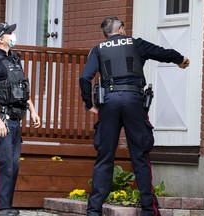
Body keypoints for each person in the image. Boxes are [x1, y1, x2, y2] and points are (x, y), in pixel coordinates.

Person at [79, 16, 190, 216]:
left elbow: (85, 77)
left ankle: (93, 212)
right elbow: (162, 53)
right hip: (133, 101)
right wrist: (180, 59)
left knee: (104, 157)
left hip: (109, 103)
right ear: (121, 29)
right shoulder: (135, 44)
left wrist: (89, 104)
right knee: (140, 155)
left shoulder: (98, 50)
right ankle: (149, 211)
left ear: (106, 34)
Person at [0, 22, 40, 216]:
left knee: (12, 165)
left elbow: (22, 88)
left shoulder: (14, 61)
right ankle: (2, 209)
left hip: (15, 119)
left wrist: (33, 109)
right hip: (2, 120)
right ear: (0, 39)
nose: (12, 35)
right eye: (9, 33)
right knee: (3, 164)